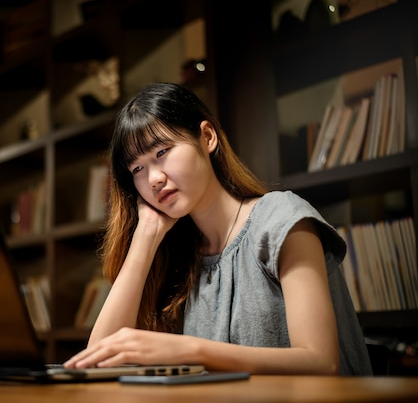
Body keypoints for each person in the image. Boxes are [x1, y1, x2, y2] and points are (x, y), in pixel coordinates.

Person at [64, 82, 372, 376]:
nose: (154, 179)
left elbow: (321, 361)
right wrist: (145, 235)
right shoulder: (181, 257)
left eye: (161, 152)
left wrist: (189, 351)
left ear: (207, 137)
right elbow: (98, 360)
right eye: (137, 169)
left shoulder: (279, 218)